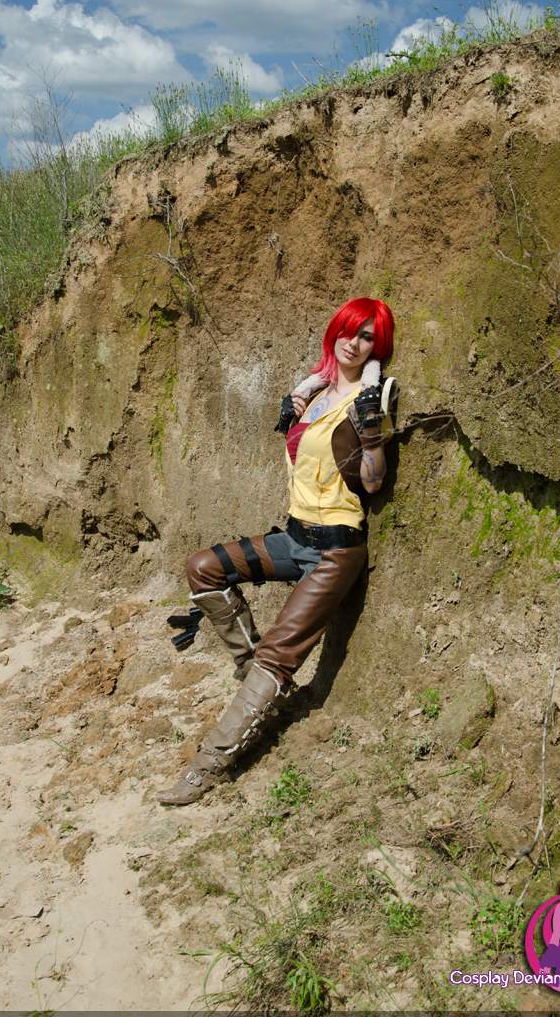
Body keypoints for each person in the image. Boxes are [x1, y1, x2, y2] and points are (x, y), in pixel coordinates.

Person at [157, 296, 395, 806]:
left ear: (378, 348)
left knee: (277, 655)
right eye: (349, 330)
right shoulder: (314, 393)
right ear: (334, 332)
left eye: (368, 337)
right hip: (295, 536)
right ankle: (255, 683)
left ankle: (208, 765)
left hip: (336, 551)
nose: (355, 343)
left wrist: (373, 435)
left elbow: (373, 483)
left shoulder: (371, 398)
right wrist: (297, 411)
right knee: (204, 568)